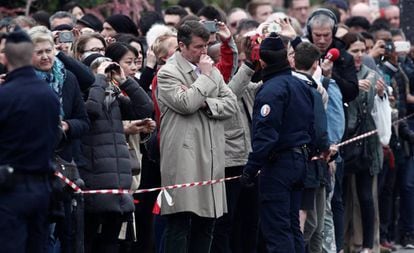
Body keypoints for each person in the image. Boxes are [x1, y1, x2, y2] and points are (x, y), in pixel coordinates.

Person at [156, 20, 237, 253]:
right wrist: (205, 77)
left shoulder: (209, 70)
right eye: (198, 47)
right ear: (181, 45)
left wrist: (207, 103)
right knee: (180, 220)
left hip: (211, 155)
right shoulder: (168, 72)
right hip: (183, 156)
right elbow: (187, 103)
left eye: (207, 46)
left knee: (208, 220)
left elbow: (231, 104)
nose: (204, 52)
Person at [241, 32, 315, 253]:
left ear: (262, 61)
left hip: (279, 165)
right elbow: (312, 126)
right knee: (292, 226)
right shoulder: (301, 85)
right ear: (286, 58)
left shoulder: (270, 91)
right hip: (300, 160)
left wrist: (250, 169)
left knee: (278, 229)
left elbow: (266, 135)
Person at [0, 28, 60, 253]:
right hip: (42, 187)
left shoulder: (5, 96)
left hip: (9, 188)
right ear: (29, 56)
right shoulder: (48, 95)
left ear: (5, 57)